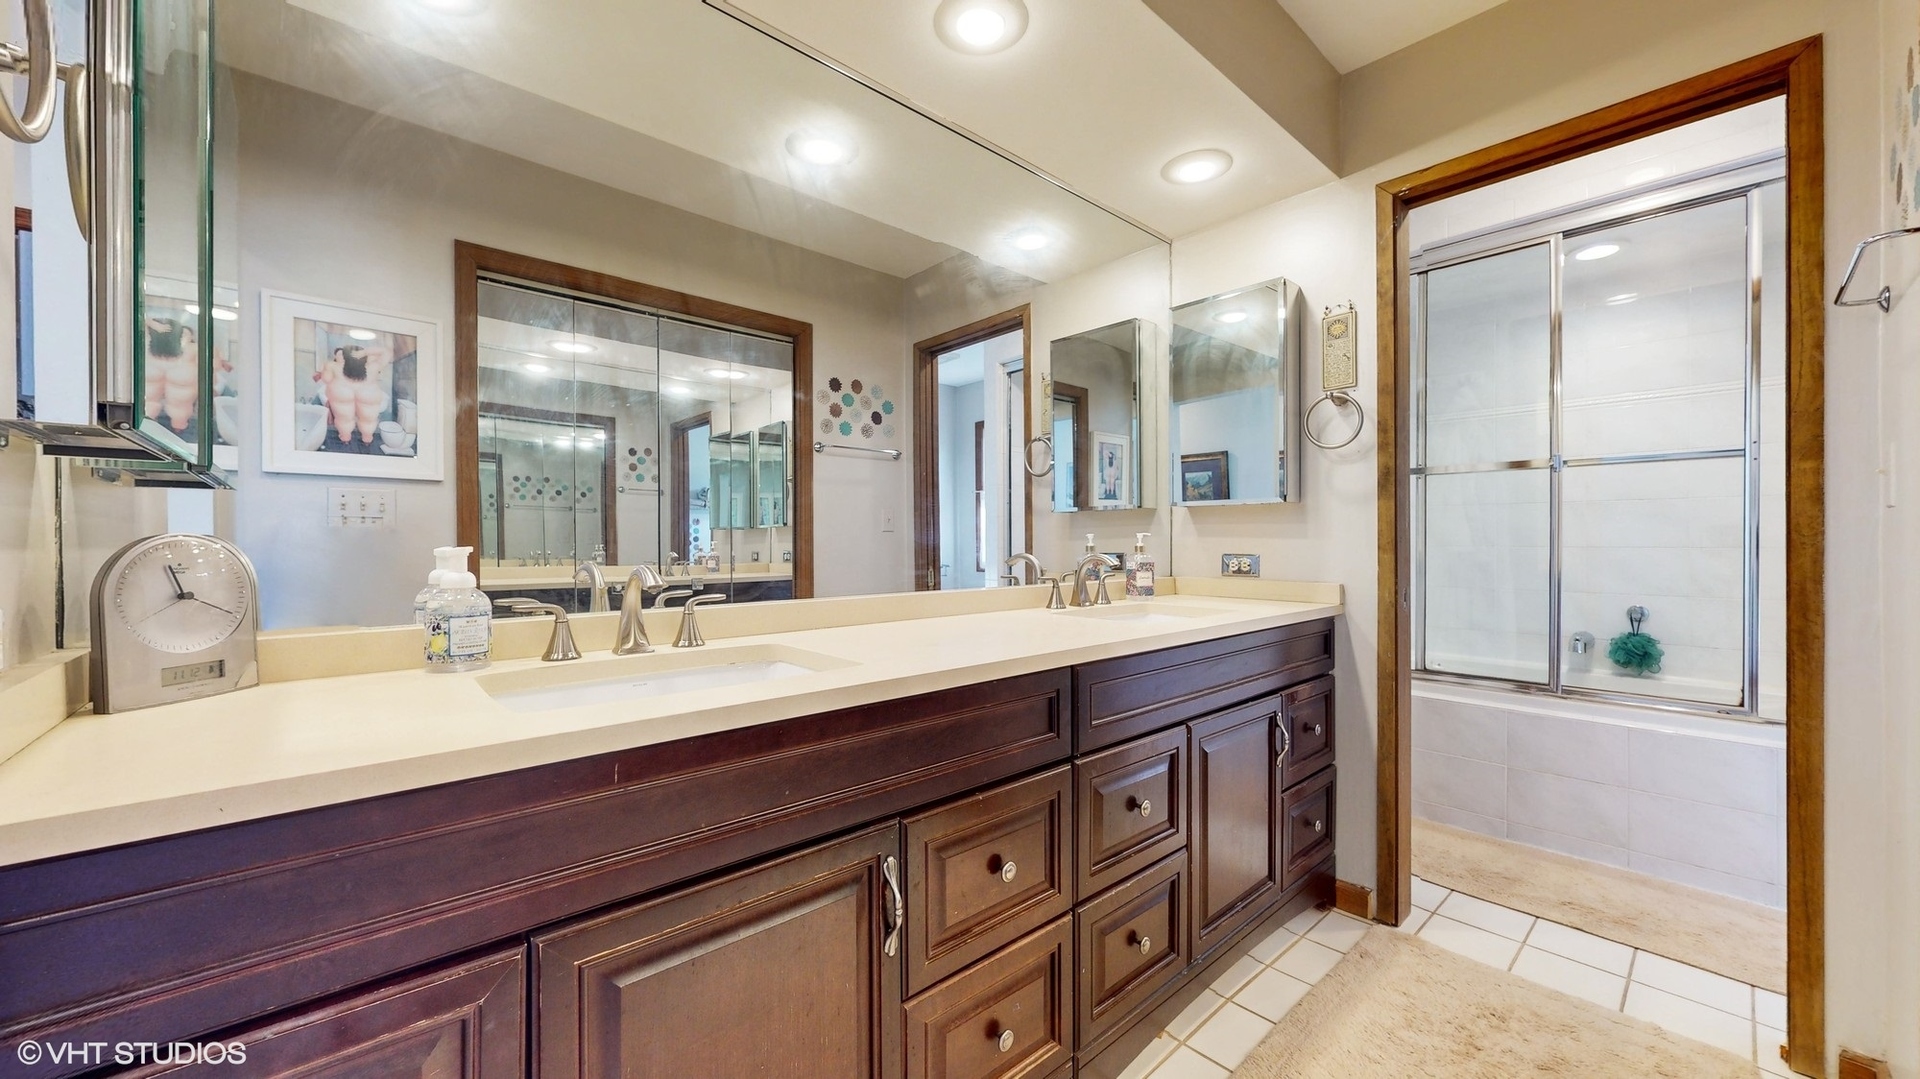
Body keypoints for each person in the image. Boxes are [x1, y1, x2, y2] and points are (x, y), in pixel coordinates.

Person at [313, 342, 391, 446]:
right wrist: (365, 352)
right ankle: (367, 439)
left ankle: (345, 439)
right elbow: (386, 352)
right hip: (368, 394)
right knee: (368, 420)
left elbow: (326, 379)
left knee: (343, 420)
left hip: (342, 394)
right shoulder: (373, 367)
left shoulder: (332, 366)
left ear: (344, 356)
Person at [143, 317, 199, 433]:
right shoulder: (144, 348)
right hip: (147, 419)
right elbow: (130, 316)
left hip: (181, 422)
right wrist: (154, 324)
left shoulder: (192, 351)